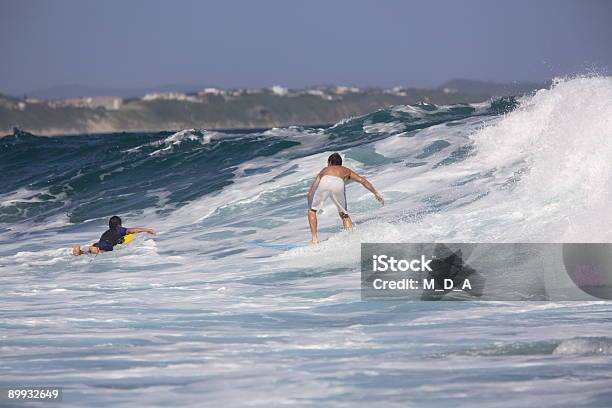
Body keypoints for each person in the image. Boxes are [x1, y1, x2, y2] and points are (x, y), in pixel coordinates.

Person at [307, 153, 384, 244]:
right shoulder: (346, 170)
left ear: (330, 163)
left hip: (325, 181)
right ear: (340, 163)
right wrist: (376, 193)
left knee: (312, 211)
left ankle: (314, 239)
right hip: (338, 184)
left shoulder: (325, 170)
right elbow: (362, 181)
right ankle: (351, 238)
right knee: (344, 214)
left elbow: (310, 192)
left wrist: (310, 205)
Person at [72, 215, 156, 256]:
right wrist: (147, 230)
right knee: (99, 251)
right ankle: (94, 249)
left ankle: (80, 251)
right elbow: (131, 230)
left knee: (88, 253)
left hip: (99, 243)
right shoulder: (119, 229)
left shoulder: (106, 232)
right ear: (119, 224)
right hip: (107, 244)